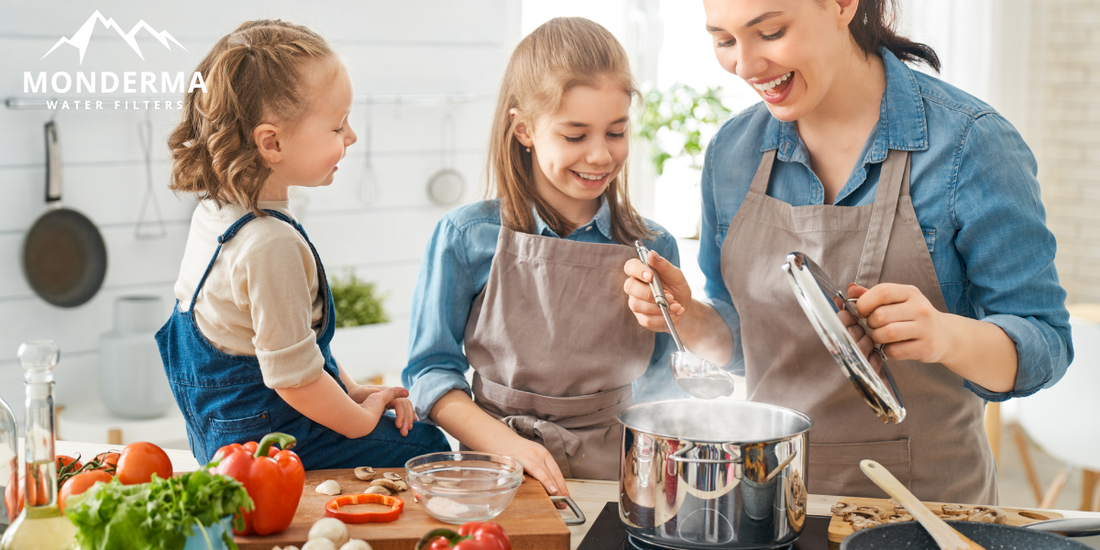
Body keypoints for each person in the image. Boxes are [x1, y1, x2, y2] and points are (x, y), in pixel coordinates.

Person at [624, 0, 1072, 504]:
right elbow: (748, 341)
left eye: (769, 32)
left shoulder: (969, 143)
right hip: (769, 501)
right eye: (725, 40)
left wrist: (945, 336)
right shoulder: (733, 151)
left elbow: (1045, 345)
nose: (745, 66)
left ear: (841, 5)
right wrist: (688, 318)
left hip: (922, 509)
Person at [403, 17, 684, 496]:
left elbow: (666, 383)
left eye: (615, 133)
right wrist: (507, 446)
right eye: (575, 136)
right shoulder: (466, 236)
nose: (600, 156)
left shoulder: (653, 246)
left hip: (619, 473)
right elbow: (430, 374)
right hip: (493, 469)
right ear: (524, 129)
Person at [157, 20, 449, 468]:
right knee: (429, 447)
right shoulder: (269, 243)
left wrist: (351, 391)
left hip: (220, 438)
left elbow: (292, 345)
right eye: (337, 127)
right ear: (271, 143)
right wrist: (361, 417)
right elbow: (293, 381)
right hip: (272, 446)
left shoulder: (214, 213)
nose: (350, 137)